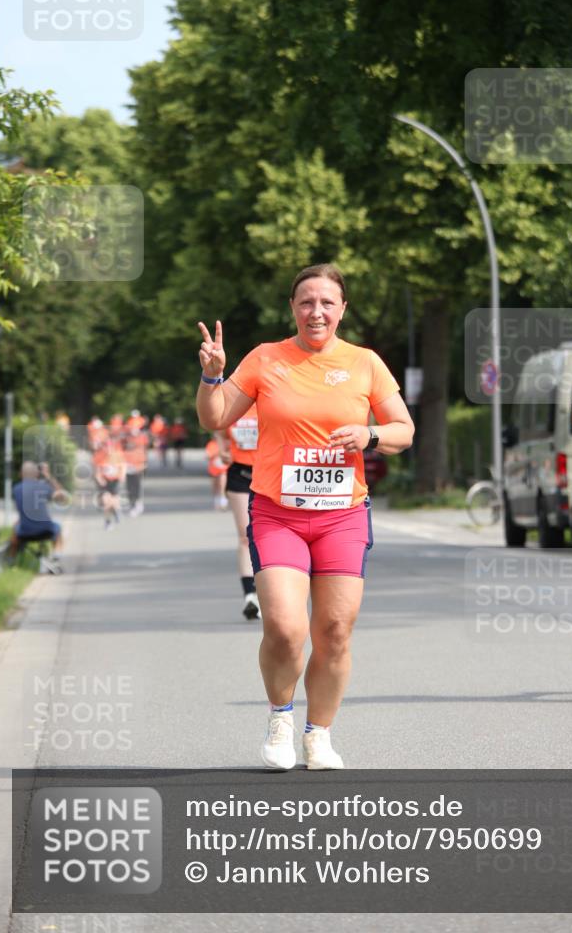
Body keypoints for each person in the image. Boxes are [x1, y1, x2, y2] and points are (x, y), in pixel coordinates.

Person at [196, 263, 414, 770]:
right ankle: (280, 717)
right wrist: (212, 375)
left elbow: (403, 429)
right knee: (284, 627)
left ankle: (319, 735)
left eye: (327, 303)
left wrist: (369, 435)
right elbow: (214, 417)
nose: (317, 312)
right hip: (278, 514)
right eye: (306, 302)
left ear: (342, 309)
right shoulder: (265, 358)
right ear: (293, 308)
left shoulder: (364, 363)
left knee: (334, 630)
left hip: (342, 516)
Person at [215, 403, 260, 619]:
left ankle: (270, 590)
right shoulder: (234, 407)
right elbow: (219, 429)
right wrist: (223, 449)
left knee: (268, 536)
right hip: (240, 474)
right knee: (245, 536)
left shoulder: (271, 403)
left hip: (271, 474)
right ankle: (250, 595)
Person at [10, 461, 67, 572]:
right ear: (36, 474)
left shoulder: (16, 489)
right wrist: (48, 476)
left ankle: (12, 562)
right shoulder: (44, 487)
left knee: (15, 530)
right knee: (58, 527)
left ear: (21, 474)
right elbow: (62, 497)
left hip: (24, 532)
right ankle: (56, 558)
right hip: (46, 530)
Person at [93, 439, 126, 530]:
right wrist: (99, 479)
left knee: (114, 501)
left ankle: (116, 510)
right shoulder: (99, 455)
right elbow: (97, 470)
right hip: (105, 481)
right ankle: (108, 521)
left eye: (110, 447)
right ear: (103, 448)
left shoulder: (117, 455)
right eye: (106, 447)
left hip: (115, 480)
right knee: (106, 501)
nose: (108, 449)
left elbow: (123, 466)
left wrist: (122, 476)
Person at [123, 421, 149, 517]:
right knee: (129, 487)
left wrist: (144, 465)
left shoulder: (141, 441)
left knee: (136, 486)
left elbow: (144, 453)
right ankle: (132, 504)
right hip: (128, 467)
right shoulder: (126, 440)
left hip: (138, 468)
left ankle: (137, 504)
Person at [205, 434, 229, 511]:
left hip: (224, 468)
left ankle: (223, 502)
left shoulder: (226, 443)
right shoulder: (211, 444)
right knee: (215, 486)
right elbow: (208, 456)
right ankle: (216, 500)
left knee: (223, 485)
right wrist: (217, 453)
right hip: (213, 469)